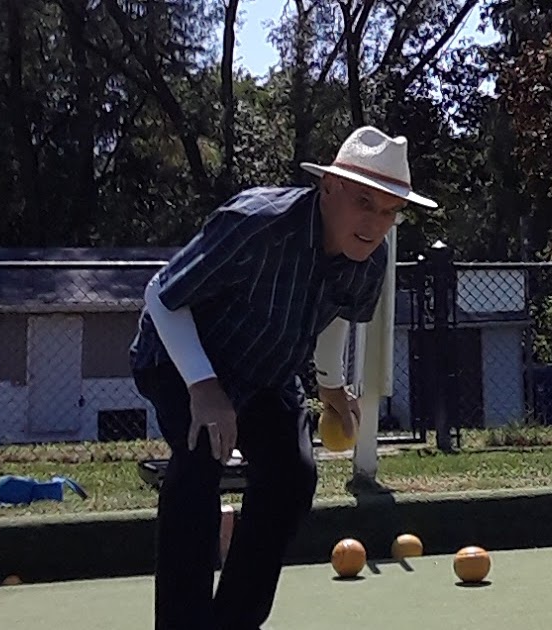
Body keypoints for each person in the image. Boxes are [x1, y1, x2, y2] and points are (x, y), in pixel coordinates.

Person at [129, 126, 438, 630]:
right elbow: (162, 296)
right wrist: (204, 388)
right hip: (180, 360)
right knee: (201, 458)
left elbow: (337, 313)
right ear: (329, 187)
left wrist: (330, 385)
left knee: (294, 475)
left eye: (388, 212)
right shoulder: (256, 223)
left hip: (267, 374)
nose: (376, 223)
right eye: (365, 202)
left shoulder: (372, 255)